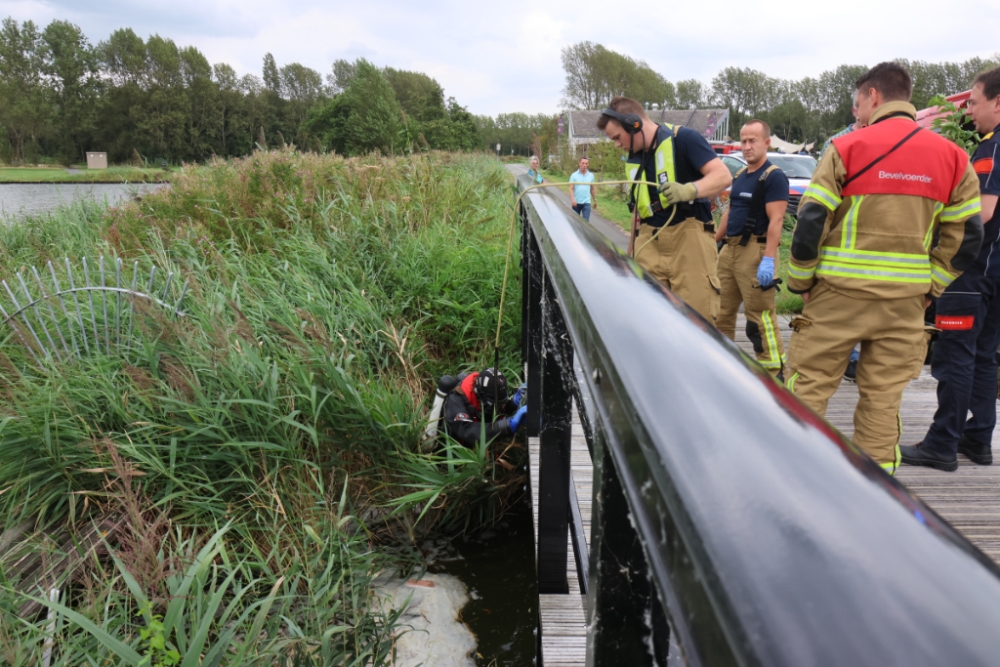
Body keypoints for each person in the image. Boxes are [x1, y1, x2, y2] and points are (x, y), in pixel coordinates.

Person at [785, 62, 984, 475]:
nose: (856, 113)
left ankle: (794, 485)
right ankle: (877, 499)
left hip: (837, 297)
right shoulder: (953, 156)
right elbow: (968, 235)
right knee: (882, 403)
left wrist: (802, 280)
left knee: (806, 392)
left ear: (873, 96)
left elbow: (810, 223)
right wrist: (933, 286)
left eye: (858, 103)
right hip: (906, 303)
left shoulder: (846, 148)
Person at [902, 66, 1000, 471]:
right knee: (983, 356)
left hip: (971, 269)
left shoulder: (990, 148)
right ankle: (976, 439)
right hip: (995, 274)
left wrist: (935, 218)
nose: (970, 112)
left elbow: (983, 210)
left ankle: (942, 443)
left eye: (974, 103)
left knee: (955, 355)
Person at [598, 97, 732, 323]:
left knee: (696, 321)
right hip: (649, 240)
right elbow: (638, 211)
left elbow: (723, 176)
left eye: (617, 138)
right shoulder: (634, 158)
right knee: (649, 319)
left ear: (634, 124)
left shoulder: (685, 139)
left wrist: (690, 190)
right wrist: (630, 256)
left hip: (689, 240)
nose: (617, 145)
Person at [715, 119, 789, 377]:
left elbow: (777, 220)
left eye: (752, 140)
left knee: (758, 320)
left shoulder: (774, 176)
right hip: (730, 251)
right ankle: (721, 366)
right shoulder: (739, 175)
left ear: (767, 143)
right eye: (743, 141)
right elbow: (731, 212)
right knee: (720, 313)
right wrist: (714, 241)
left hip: (756, 254)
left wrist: (768, 259)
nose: (747, 146)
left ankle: (774, 375)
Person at [443, 367, 527, 448]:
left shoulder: (483, 399)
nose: (498, 407)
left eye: (501, 403)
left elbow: (493, 413)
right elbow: (468, 431)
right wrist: (508, 425)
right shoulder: (456, 400)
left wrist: (513, 404)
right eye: (493, 404)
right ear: (479, 393)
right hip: (457, 450)